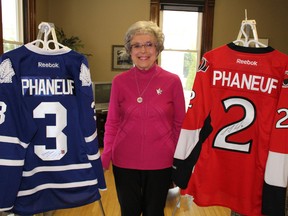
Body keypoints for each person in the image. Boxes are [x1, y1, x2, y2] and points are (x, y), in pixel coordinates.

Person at [101, 20, 186, 216]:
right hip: (124, 162)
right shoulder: (119, 82)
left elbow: (180, 124)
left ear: (158, 48)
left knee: (154, 212)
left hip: (161, 162)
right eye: (137, 45)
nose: (143, 51)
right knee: (128, 212)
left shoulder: (172, 81)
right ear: (129, 50)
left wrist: (178, 159)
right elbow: (112, 122)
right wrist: (106, 156)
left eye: (149, 44)